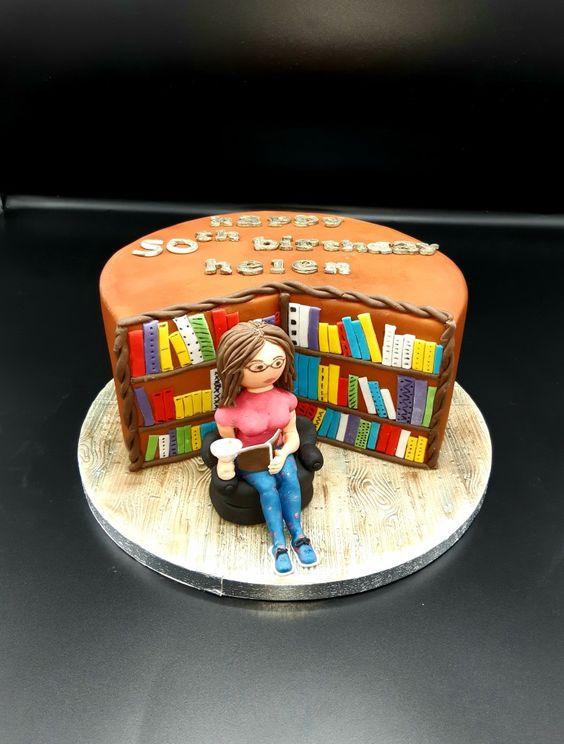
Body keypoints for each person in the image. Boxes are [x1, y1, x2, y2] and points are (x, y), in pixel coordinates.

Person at [214, 320, 318, 575]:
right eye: (258, 367)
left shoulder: (286, 399)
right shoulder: (228, 412)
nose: (269, 371)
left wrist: (284, 454)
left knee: (290, 478)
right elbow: (229, 444)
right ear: (235, 368)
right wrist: (227, 462)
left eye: (277, 363)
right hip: (250, 461)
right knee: (267, 488)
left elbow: (292, 434)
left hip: (280, 452)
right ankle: (278, 545)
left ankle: (298, 536)